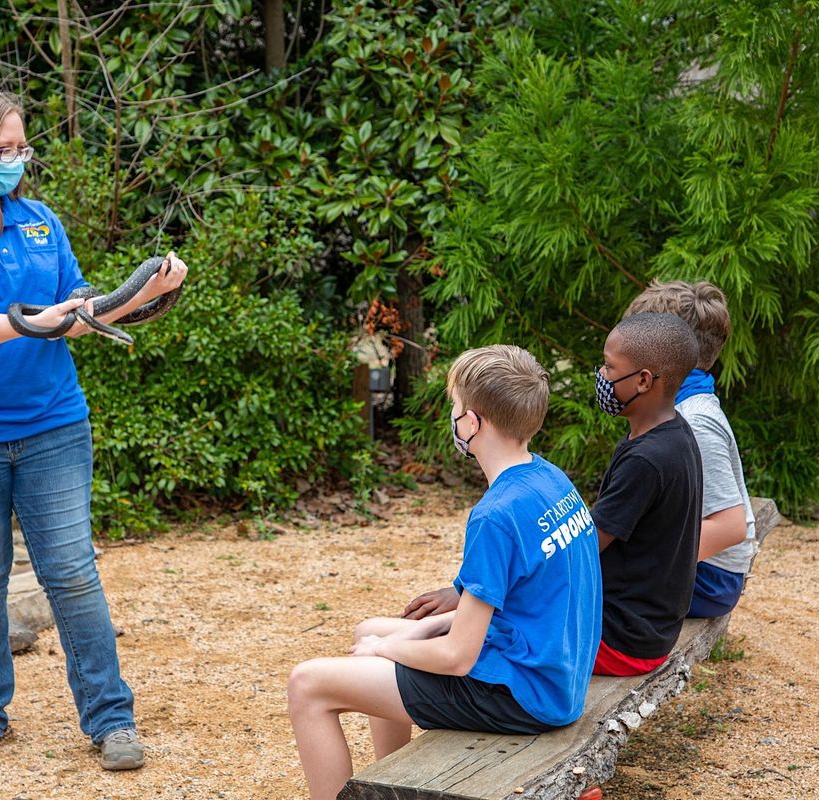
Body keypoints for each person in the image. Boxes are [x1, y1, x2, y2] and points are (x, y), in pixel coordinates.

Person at [0, 85, 188, 769]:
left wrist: (148, 291)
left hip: (53, 424)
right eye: (3, 149)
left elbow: (82, 308)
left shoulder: (40, 222)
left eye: (21, 147)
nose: (16, 159)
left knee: (73, 573)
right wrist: (36, 319)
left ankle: (111, 717)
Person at [287, 345, 602, 800]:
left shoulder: (496, 514)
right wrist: (400, 635)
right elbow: (513, 606)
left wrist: (389, 649)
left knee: (307, 684)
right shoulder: (550, 479)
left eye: (455, 408)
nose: (453, 418)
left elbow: (457, 657)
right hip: (553, 674)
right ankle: (391, 781)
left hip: (522, 695)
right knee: (368, 629)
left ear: (472, 423)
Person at [623, 281, 755, 618]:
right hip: (697, 565)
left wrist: (646, 557)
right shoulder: (678, 409)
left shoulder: (695, 421)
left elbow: (730, 526)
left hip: (710, 578)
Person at [588, 312, 702, 676]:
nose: (601, 376)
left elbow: (581, 549)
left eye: (608, 367)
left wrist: (476, 596)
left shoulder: (648, 460)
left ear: (642, 380)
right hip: (648, 630)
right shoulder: (674, 433)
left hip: (620, 639)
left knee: (489, 634)